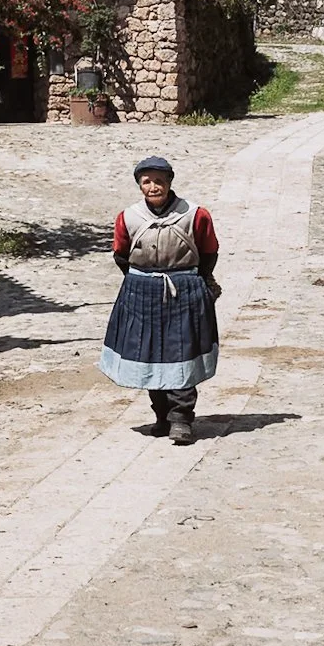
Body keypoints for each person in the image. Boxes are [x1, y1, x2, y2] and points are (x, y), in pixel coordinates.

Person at [99, 154, 221, 445]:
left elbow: (209, 250)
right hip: (143, 290)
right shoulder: (128, 217)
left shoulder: (195, 214)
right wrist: (143, 281)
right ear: (140, 186)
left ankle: (181, 419)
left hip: (184, 289)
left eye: (159, 181)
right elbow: (121, 253)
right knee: (149, 354)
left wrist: (198, 280)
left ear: (169, 182)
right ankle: (162, 416)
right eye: (147, 182)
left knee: (182, 354)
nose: (153, 187)